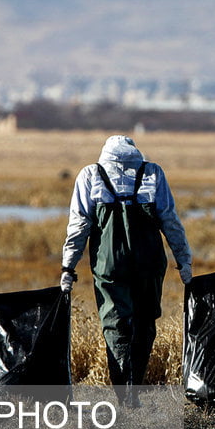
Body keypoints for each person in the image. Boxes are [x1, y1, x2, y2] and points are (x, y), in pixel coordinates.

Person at [61, 135, 192, 406]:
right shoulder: (152, 172)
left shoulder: (90, 174)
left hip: (109, 266)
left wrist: (68, 266)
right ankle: (136, 385)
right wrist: (184, 261)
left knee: (115, 325)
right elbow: (170, 221)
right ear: (135, 151)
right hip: (150, 263)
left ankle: (125, 394)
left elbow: (79, 226)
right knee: (145, 323)